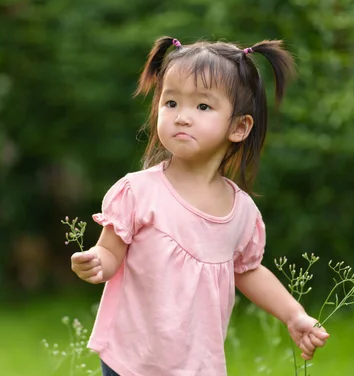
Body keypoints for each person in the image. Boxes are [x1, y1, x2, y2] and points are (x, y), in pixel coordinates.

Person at [70, 36, 329, 376]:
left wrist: (294, 315)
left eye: (202, 107)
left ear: (239, 127)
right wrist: (97, 263)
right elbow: (110, 252)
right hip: (132, 359)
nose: (182, 117)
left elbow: (248, 270)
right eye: (171, 103)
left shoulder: (242, 212)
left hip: (197, 365)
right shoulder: (139, 191)